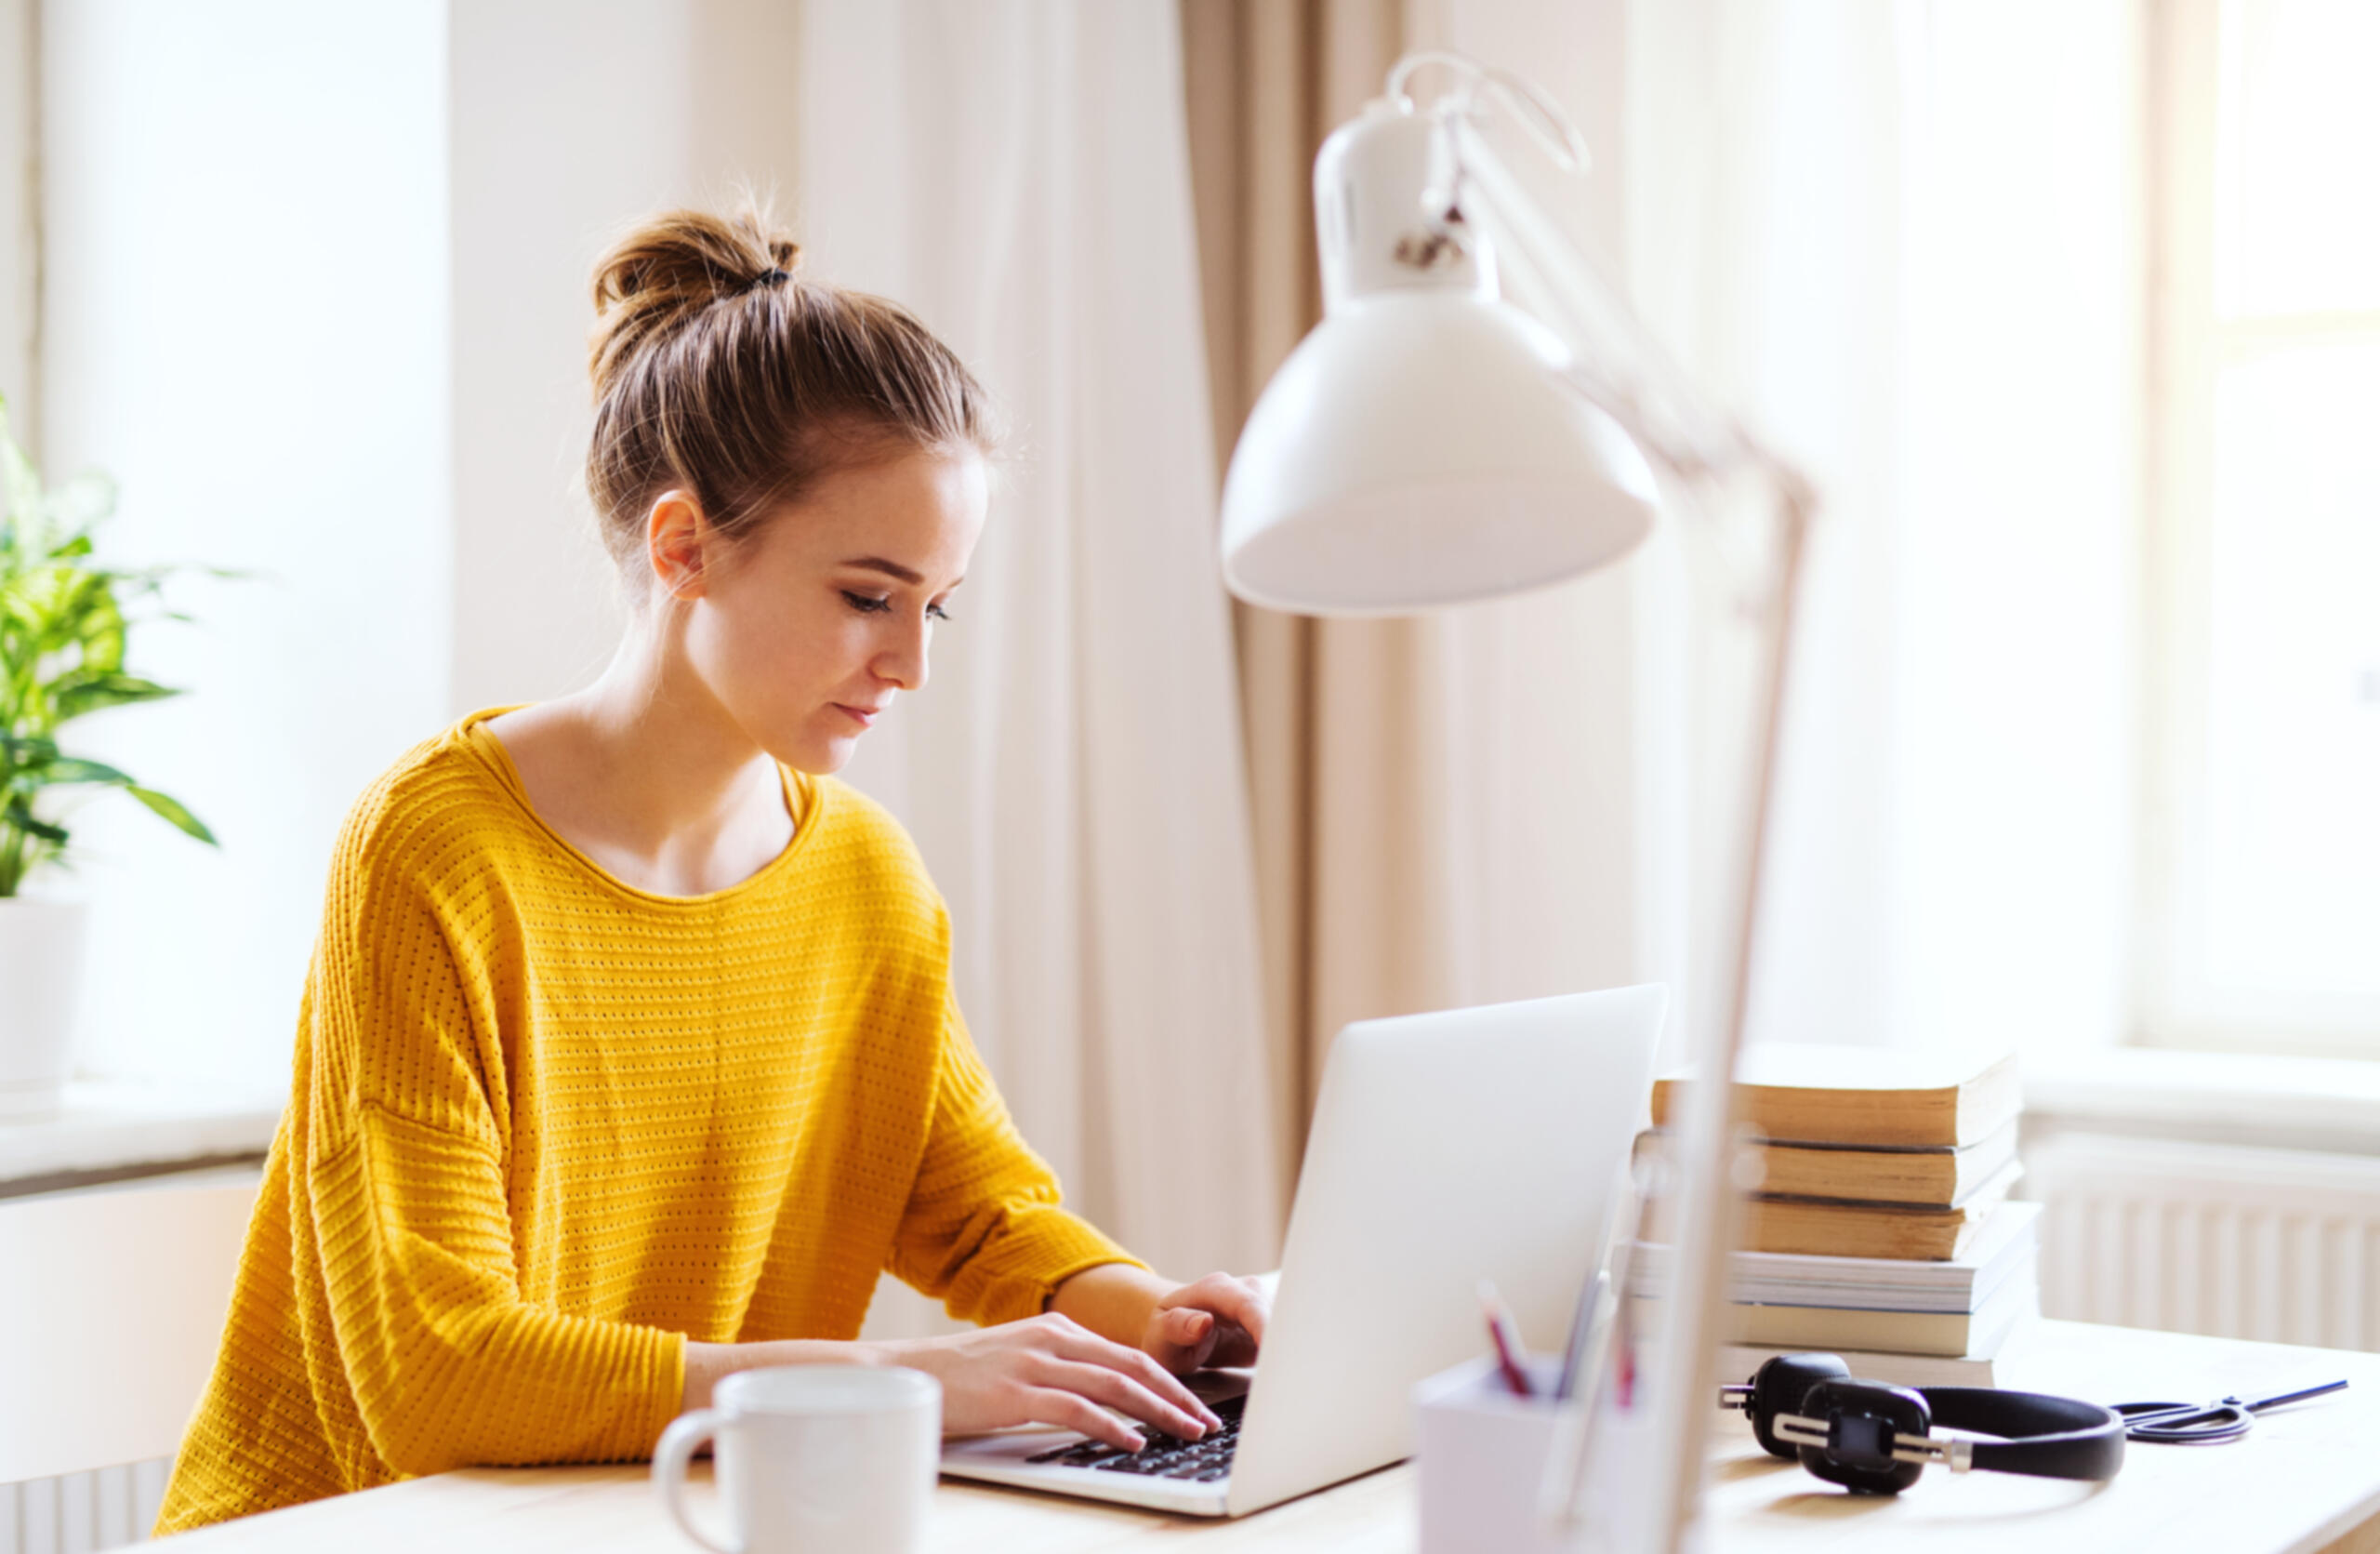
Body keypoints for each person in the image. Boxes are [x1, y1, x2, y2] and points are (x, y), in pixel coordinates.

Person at [154, 204, 1268, 1534]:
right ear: (683, 548)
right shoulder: (436, 855)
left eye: (937, 606)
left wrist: (1153, 1319)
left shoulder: (862, 874)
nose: (910, 664)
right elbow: (438, 1376)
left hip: (645, 1522)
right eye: (868, 597)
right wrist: (908, 1380)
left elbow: (974, 1214)